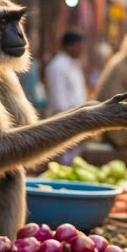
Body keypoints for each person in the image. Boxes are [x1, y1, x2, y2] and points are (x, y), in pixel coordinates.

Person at [45, 30, 90, 164]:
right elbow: (59, 102)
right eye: (78, 46)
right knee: (62, 162)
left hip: (78, 120)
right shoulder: (57, 66)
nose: (80, 50)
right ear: (68, 46)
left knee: (74, 162)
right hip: (65, 121)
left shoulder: (75, 65)